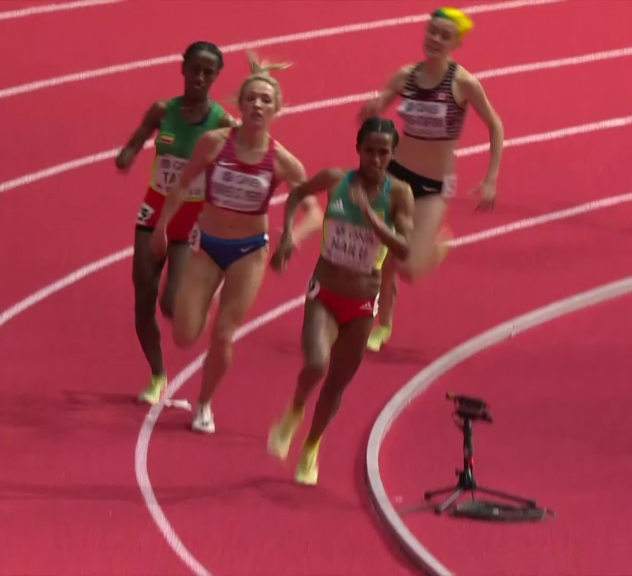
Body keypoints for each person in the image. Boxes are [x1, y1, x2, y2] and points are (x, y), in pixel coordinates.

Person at [150, 52, 323, 433]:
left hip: (249, 252)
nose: (258, 105)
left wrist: (292, 237)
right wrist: (162, 227)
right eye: (251, 98)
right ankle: (201, 296)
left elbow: (314, 210)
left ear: (276, 109)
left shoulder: (282, 161)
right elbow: (181, 186)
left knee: (224, 334)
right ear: (239, 105)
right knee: (183, 335)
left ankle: (204, 405)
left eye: (266, 100)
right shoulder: (214, 143)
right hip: (208, 244)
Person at [265, 117, 415, 486]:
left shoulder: (398, 194)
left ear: (393, 154)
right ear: (358, 150)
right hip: (325, 292)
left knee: (336, 384)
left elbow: (405, 248)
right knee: (316, 363)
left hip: (362, 303)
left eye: (384, 152)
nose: (376, 159)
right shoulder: (335, 180)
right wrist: (287, 236)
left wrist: (372, 219)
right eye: (369, 151)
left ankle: (311, 447)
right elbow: (298, 194)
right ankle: (294, 411)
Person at [357, 6, 503, 352]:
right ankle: (384, 324)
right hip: (396, 176)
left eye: (443, 35)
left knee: (408, 268)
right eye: (431, 32)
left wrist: (490, 178)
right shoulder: (406, 76)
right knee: (382, 258)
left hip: (433, 186)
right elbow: (379, 104)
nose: (435, 39)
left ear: (455, 43)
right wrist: (373, 107)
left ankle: (438, 246)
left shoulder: (463, 83)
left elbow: (495, 126)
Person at [115, 41, 237, 405]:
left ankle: (207, 291)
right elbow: (135, 142)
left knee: (171, 306)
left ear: (216, 77)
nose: (199, 77)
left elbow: (236, 168)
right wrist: (127, 155)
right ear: (182, 69)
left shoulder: (222, 122)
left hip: (190, 221)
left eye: (208, 72)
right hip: (153, 213)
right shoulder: (162, 111)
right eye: (194, 69)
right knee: (143, 300)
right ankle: (157, 375)